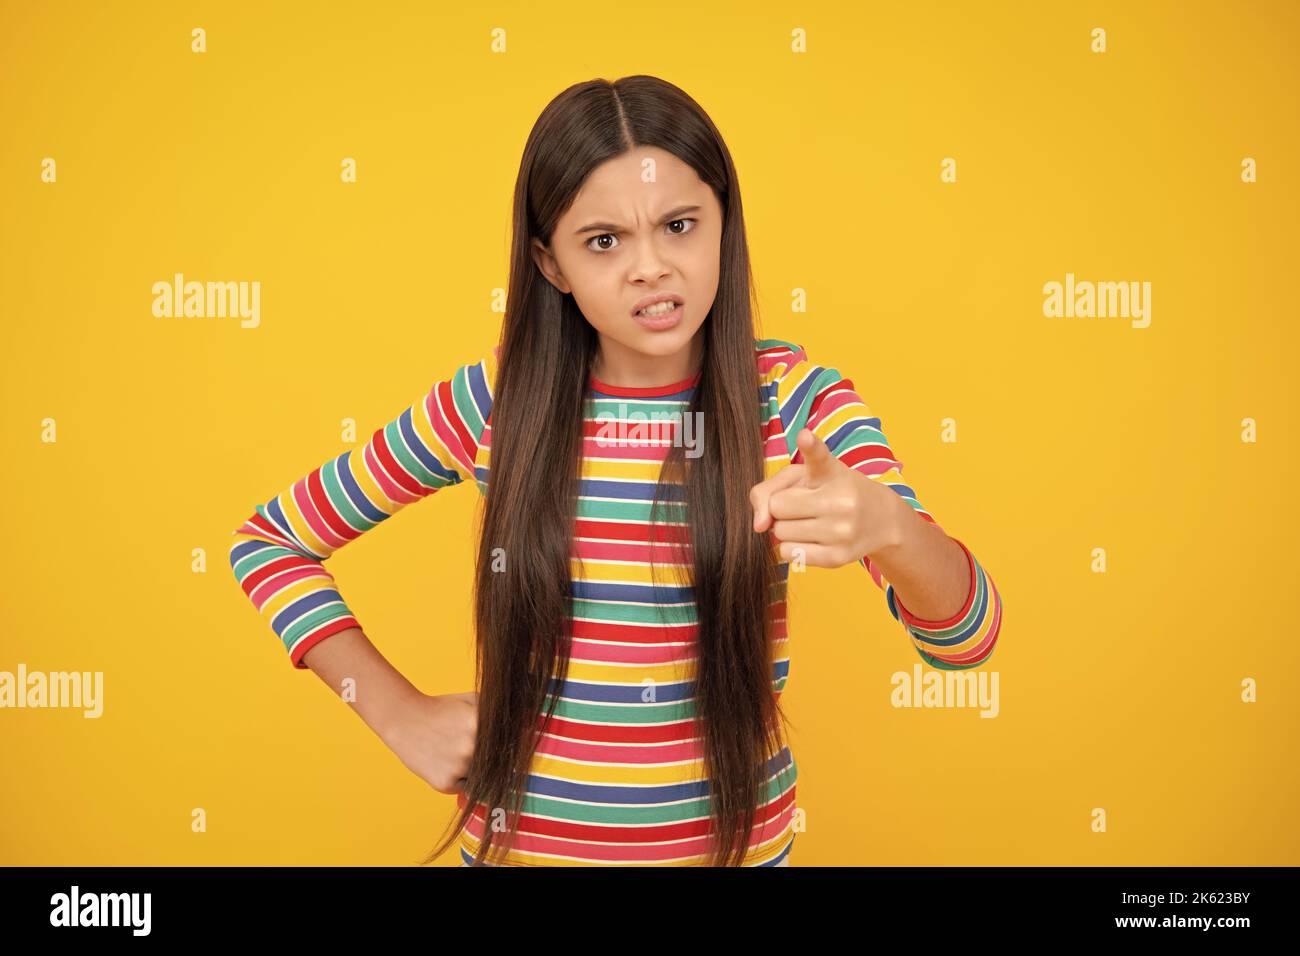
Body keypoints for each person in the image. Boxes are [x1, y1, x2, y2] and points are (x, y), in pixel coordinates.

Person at [228, 75, 1002, 867]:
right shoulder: (492, 403)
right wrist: (396, 713)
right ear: (551, 264)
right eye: (604, 241)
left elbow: (968, 639)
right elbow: (269, 542)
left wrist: (889, 527)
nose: (650, 268)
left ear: (724, 226)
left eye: (678, 225)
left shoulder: (800, 407)